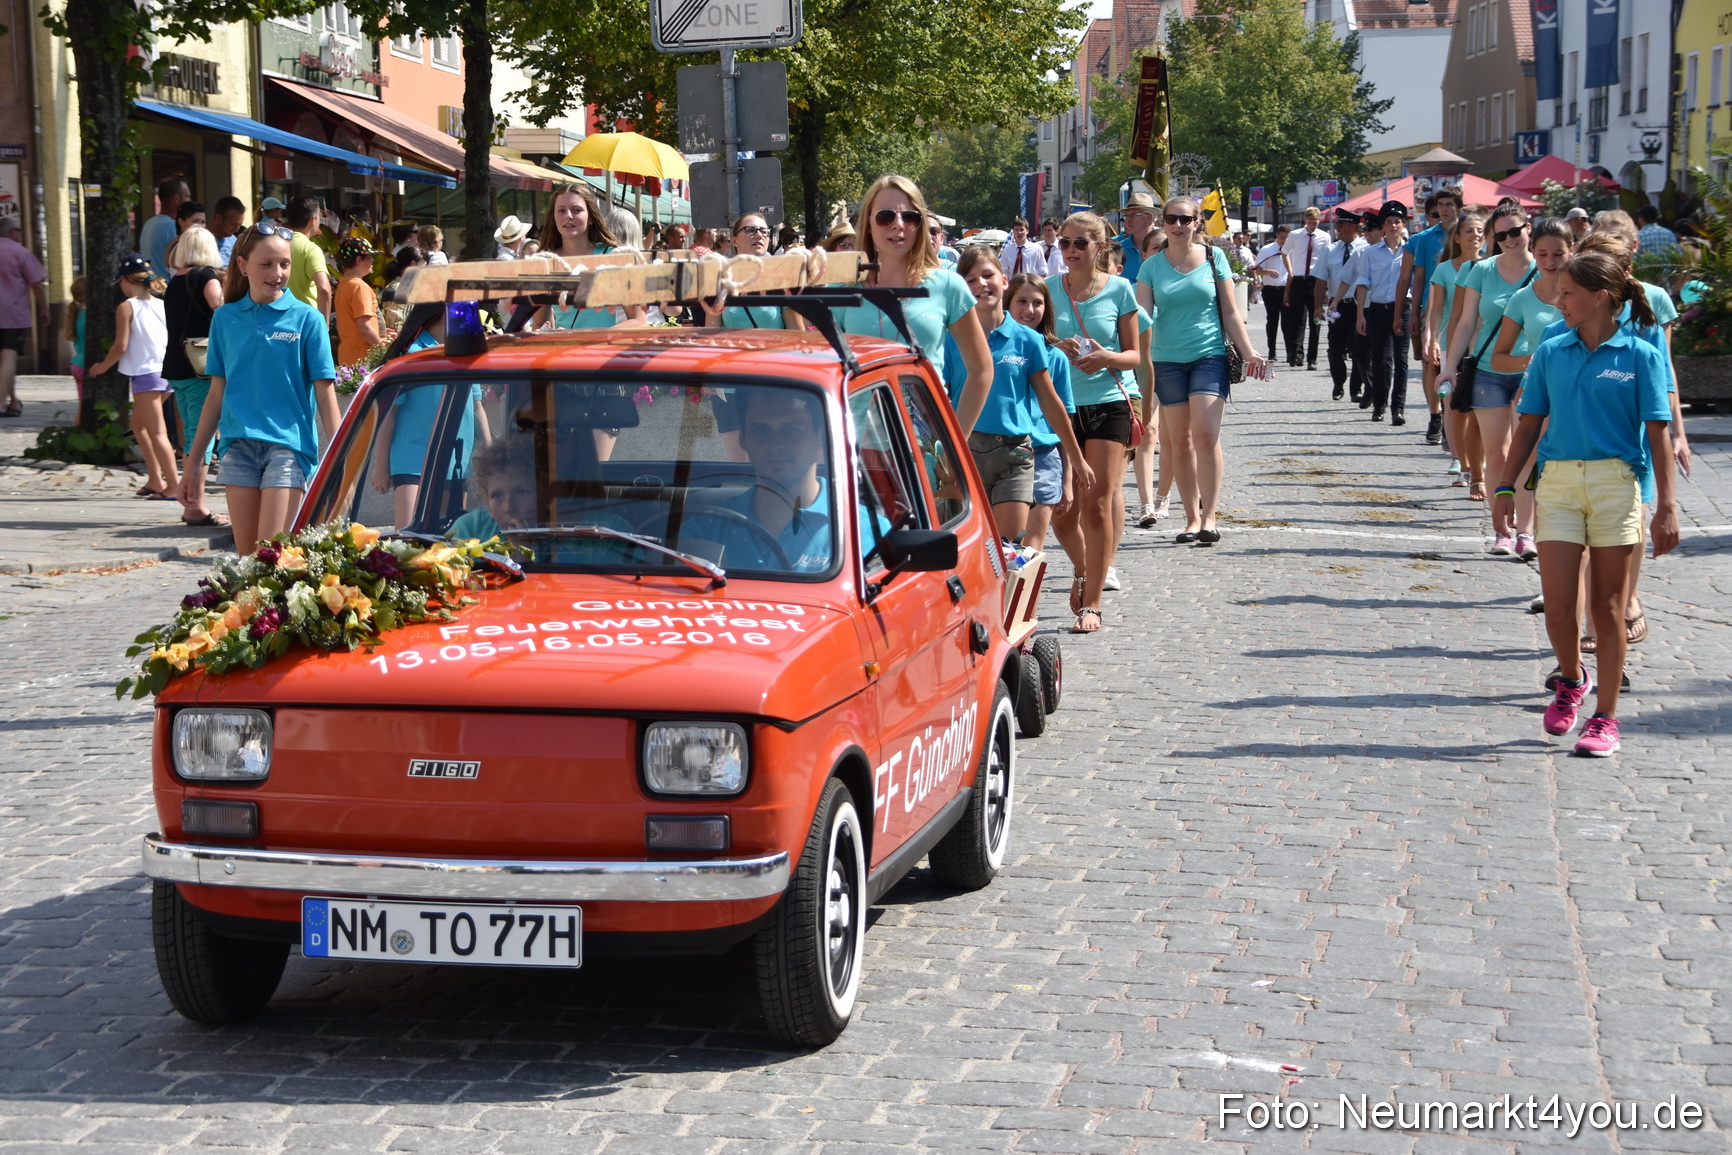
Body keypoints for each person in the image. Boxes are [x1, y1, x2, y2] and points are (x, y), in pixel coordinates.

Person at [1494, 250, 1678, 757]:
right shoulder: (1553, 349)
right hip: (1557, 485)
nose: (1559, 300)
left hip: (1616, 484)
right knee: (1557, 604)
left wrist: (1666, 507)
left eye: (1569, 292)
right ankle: (1574, 678)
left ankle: (1605, 718)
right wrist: (1506, 487)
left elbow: (1659, 433)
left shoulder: (1641, 353)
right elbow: (1529, 422)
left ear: (1600, 297)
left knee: (1608, 607)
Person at [179, 222, 339, 553]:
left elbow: (326, 396)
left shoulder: (308, 320)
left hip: (288, 449)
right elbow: (215, 396)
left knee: (273, 560)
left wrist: (340, 462)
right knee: (248, 563)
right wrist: (193, 464)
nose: (277, 273)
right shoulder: (224, 319)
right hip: (237, 450)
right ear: (242, 265)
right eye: (266, 264)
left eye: (284, 263)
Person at [1137, 195, 1269, 548]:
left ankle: (1209, 516)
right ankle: (1191, 518)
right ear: (1162, 223)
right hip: (1166, 359)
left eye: (1185, 219)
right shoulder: (1150, 266)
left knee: (1206, 434)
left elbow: (1229, 312)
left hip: (1208, 355)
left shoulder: (1215, 258)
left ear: (1197, 223)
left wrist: (1250, 352)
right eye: (1170, 219)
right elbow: (1142, 318)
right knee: (1179, 442)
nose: (1177, 226)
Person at [946, 248, 1091, 543]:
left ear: (1003, 280)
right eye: (970, 279)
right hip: (966, 453)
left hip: (1014, 455)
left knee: (1006, 549)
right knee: (967, 547)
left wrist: (1077, 459)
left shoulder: (1029, 339)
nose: (981, 284)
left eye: (987, 275)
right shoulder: (950, 337)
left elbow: (1052, 403)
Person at [1046, 210, 1141, 634]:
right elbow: (1033, 342)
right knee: (1061, 512)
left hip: (1107, 402)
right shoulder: (1046, 291)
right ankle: (1086, 569)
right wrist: (1055, 346)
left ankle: (1094, 603)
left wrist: (1106, 357)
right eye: (1064, 243)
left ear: (1099, 248)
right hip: (1059, 408)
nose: (1070, 251)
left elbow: (1135, 356)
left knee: (1097, 502)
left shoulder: (1120, 289)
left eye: (1079, 243)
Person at [835, 175, 991, 427]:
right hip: (856, 446)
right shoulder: (843, 289)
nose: (898, 225)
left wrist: (955, 443)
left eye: (909, 217)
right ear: (868, 224)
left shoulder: (949, 286)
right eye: (886, 217)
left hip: (925, 448)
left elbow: (981, 369)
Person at [1439, 203, 1538, 553]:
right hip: (1488, 371)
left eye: (1516, 231)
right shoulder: (1480, 270)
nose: (1510, 239)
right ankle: (1502, 531)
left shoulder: (1546, 268)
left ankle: (1525, 531)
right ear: (1493, 237)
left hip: (1533, 373)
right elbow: (1465, 322)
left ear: (1529, 228)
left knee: (1527, 455)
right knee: (1497, 454)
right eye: (1502, 234)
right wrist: (1450, 365)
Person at [1484, 216, 1574, 560]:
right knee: (1526, 464)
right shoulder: (1523, 298)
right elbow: (1499, 357)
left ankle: (1554, 539)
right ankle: (1522, 533)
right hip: (1534, 393)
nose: (1551, 262)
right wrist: (1532, 360)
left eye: (1559, 254)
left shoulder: (1587, 292)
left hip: (1579, 396)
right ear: (1533, 253)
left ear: (1572, 251)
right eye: (1543, 254)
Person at [88, 254, 179, 500]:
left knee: (157, 432)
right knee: (138, 426)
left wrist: (102, 366)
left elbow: (121, 345)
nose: (120, 287)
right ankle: (155, 479)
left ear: (127, 281)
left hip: (146, 374)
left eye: (120, 282)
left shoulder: (127, 306)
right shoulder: (161, 303)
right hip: (166, 373)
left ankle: (172, 486)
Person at [160, 227, 229, 528]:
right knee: (202, 439)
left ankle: (191, 502)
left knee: (192, 434)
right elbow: (219, 308)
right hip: (199, 366)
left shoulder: (174, 281)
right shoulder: (205, 276)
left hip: (177, 365)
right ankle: (196, 506)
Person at [1007, 272, 1079, 555]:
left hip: (1044, 456)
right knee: (1006, 546)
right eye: (1021, 301)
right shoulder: (991, 350)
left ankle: (1029, 599)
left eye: (1037, 303)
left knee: (1030, 549)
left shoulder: (1056, 357)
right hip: (1002, 455)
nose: (1029, 309)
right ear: (1007, 304)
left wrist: (1067, 480)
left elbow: (1064, 422)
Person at [1426, 212, 1487, 497]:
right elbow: (1436, 309)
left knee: (1479, 409)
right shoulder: (1445, 270)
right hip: (1454, 343)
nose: (1475, 234)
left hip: (1485, 346)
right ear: (1458, 237)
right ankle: (1460, 461)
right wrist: (1432, 339)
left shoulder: (1494, 266)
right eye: (1469, 230)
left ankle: (1478, 466)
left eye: (1480, 230)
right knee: (1454, 406)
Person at [1397, 185, 1464, 445]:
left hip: (1464, 308)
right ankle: (1435, 416)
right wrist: (1413, 313)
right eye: (1441, 205)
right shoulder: (1425, 239)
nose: (1445, 209)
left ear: (1459, 205)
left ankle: (1452, 416)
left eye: (1450, 204)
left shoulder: (1469, 234)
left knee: (1458, 365)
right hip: (1432, 307)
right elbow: (1418, 278)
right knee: (1431, 363)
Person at [532, 184, 646, 330]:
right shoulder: (545, 264)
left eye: (576, 210)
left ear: (591, 217)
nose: (568, 215)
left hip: (603, 350)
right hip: (564, 350)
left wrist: (591, 339)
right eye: (561, 210)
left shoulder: (613, 257)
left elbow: (639, 321)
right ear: (554, 218)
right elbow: (540, 325)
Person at [1353, 202, 1412, 423]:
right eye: (1389, 222)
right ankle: (1379, 405)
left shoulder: (1410, 250)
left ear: (1403, 225)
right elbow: (1362, 283)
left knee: (1401, 359)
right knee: (1379, 361)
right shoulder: (1370, 252)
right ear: (1383, 226)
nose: (1393, 225)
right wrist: (1360, 314)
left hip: (1403, 309)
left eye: (1397, 221)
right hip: (1377, 309)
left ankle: (1398, 408)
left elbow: (1415, 284)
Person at [0, 218, 47, 418]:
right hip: (12, 313)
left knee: (3, 361)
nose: (20, 234)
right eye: (18, 230)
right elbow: (36, 284)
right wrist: (44, 309)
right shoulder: (20, 252)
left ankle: (14, 401)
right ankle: (1, 403)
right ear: (11, 232)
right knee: (9, 356)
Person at [448, 436, 537, 540]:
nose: (509, 507)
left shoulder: (557, 536)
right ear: (487, 503)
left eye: (521, 493)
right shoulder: (469, 529)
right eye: (497, 496)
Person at [1321, 209, 1367, 401]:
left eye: (1342, 224)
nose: (1338, 228)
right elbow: (1320, 278)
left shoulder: (1365, 248)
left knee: (1359, 348)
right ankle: (1338, 382)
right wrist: (1319, 306)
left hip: (1360, 305)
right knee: (1334, 348)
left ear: (1353, 227)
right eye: (1338, 224)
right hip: (1338, 305)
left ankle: (1356, 388)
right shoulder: (1331, 250)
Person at [335, 237, 392, 369]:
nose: (372, 261)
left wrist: (380, 330)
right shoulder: (360, 287)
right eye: (369, 257)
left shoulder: (343, 285)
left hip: (348, 356)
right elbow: (365, 328)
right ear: (358, 260)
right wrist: (383, 351)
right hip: (363, 359)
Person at [1282, 207, 1328, 370]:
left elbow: (1326, 259)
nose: (1312, 226)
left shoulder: (1325, 237)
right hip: (1299, 279)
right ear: (1305, 221)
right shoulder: (1295, 235)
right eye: (1309, 223)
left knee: (1316, 321)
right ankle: (1297, 354)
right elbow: (1284, 252)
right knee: (1296, 321)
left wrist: (1326, 286)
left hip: (1316, 280)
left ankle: (1312, 358)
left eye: (1315, 223)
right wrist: (1290, 271)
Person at [284, 197, 333, 320]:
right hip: (305, 320)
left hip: (278, 319)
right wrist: (324, 324)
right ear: (313, 219)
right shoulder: (311, 249)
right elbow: (324, 289)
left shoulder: (276, 244)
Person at [1252, 224, 1294, 363]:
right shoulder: (1267, 249)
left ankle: (1290, 352)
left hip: (1286, 289)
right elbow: (1257, 269)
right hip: (1270, 289)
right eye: (1282, 238)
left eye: (1287, 238)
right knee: (1272, 321)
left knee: (1288, 323)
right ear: (1277, 235)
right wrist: (1267, 272)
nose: (1284, 241)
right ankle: (1272, 351)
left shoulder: (1292, 250)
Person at [139, 178, 189, 280]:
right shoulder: (172, 226)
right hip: (167, 289)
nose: (190, 201)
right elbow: (184, 263)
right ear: (177, 199)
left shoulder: (148, 224)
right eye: (188, 196)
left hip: (150, 288)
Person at [1115, 193, 1157, 282]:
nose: (1128, 220)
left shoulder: (1165, 248)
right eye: (1126, 215)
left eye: (1134, 215)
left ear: (1149, 218)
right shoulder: (1119, 249)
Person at [65, 277, 87, 401]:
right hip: (86, 364)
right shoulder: (90, 316)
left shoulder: (77, 313)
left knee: (83, 406)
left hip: (77, 362)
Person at [210, 196, 246, 266]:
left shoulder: (234, 241)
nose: (237, 229)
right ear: (219, 218)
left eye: (239, 225)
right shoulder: (201, 240)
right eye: (233, 224)